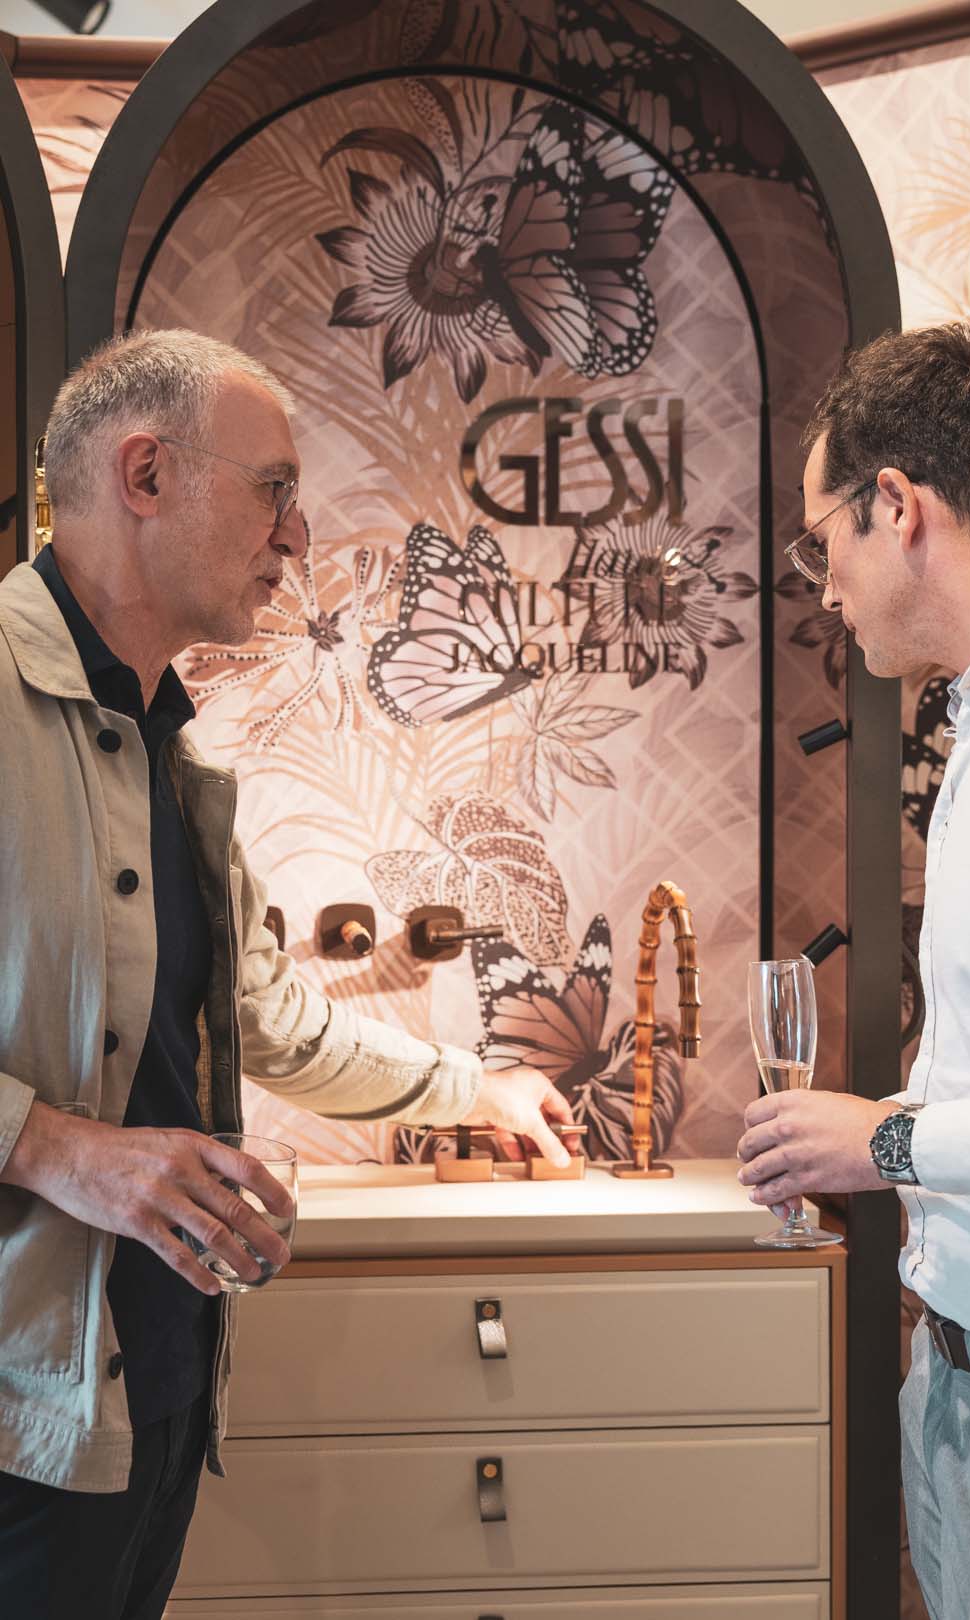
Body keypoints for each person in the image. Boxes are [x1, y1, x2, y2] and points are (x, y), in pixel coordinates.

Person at [0, 327, 574, 1619]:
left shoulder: (176, 754)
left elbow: (263, 1018)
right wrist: (63, 1153)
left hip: (149, 1397)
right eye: (273, 490)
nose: (299, 536)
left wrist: (473, 1087)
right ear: (145, 475)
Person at [737, 320, 970, 1619]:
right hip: (964, 1394)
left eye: (821, 540)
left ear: (896, 506)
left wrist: (889, 1141)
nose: (823, 587)